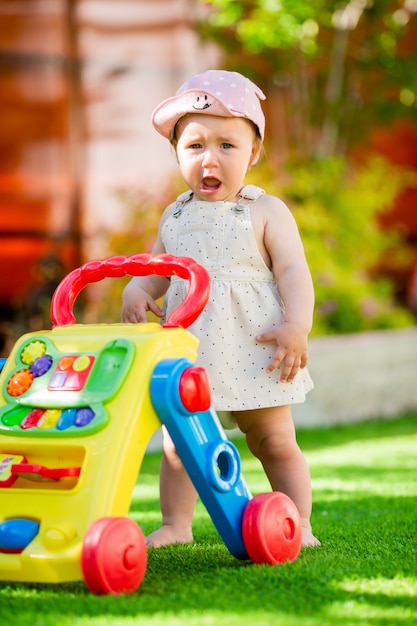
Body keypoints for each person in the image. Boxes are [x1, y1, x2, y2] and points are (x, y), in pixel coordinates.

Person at [122, 69, 320, 548]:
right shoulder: (176, 214)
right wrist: (135, 289)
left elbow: (294, 271)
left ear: (253, 153)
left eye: (227, 146)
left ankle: (299, 523)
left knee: (273, 441)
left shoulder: (265, 210)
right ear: (176, 153)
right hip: (192, 353)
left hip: (257, 348)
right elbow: (157, 267)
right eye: (194, 147)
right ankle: (177, 524)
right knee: (179, 447)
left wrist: (297, 325)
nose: (210, 159)